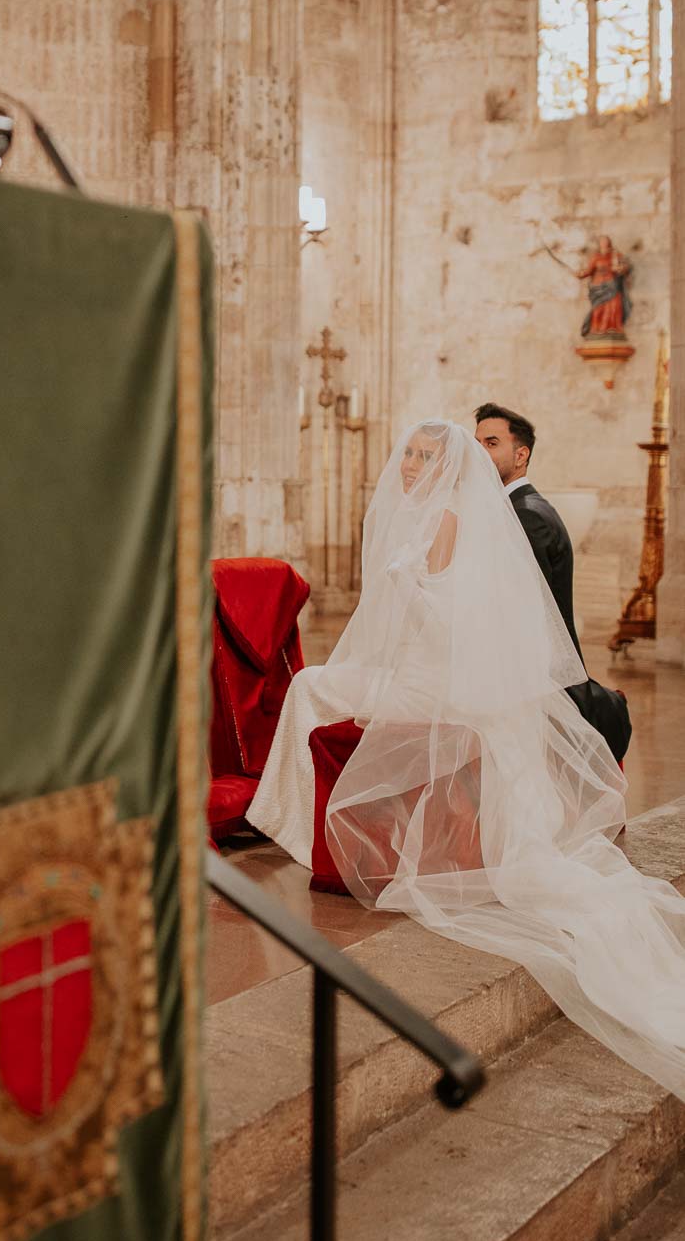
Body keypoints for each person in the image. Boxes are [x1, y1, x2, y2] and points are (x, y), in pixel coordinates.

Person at [248, 421, 685, 1101]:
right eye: (410, 454)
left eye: (426, 456)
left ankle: (296, 829)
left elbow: (447, 623)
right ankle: (294, 822)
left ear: (448, 470)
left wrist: (409, 587)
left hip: (436, 685)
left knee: (309, 686)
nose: (411, 465)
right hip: (425, 673)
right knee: (319, 684)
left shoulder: (446, 517)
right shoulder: (436, 516)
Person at [474, 402, 631, 762]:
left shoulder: (529, 515)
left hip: (541, 686)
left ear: (521, 454)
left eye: (492, 442)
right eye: (477, 443)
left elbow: (520, 615)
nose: (480, 452)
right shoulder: (515, 508)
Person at [577, 234, 632, 338]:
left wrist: (621, 269)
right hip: (598, 287)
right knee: (598, 309)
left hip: (612, 285)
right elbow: (588, 271)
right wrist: (580, 274)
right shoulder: (596, 257)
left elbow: (625, 267)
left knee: (613, 307)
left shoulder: (615, 255)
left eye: (606, 241)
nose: (604, 243)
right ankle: (596, 329)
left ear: (609, 243)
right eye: (602, 241)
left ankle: (613, 328)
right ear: (599, 244)